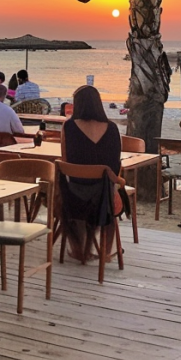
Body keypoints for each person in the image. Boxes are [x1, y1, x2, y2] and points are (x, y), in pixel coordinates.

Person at [60, 85, 125, 262]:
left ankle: (79, 248)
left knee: (67, 190)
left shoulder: (69, 127)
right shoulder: (112, 128)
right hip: (103, 197)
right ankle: (106, 252)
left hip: (75, 196)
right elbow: (115, 163)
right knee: (109, 197)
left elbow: (65, 162)